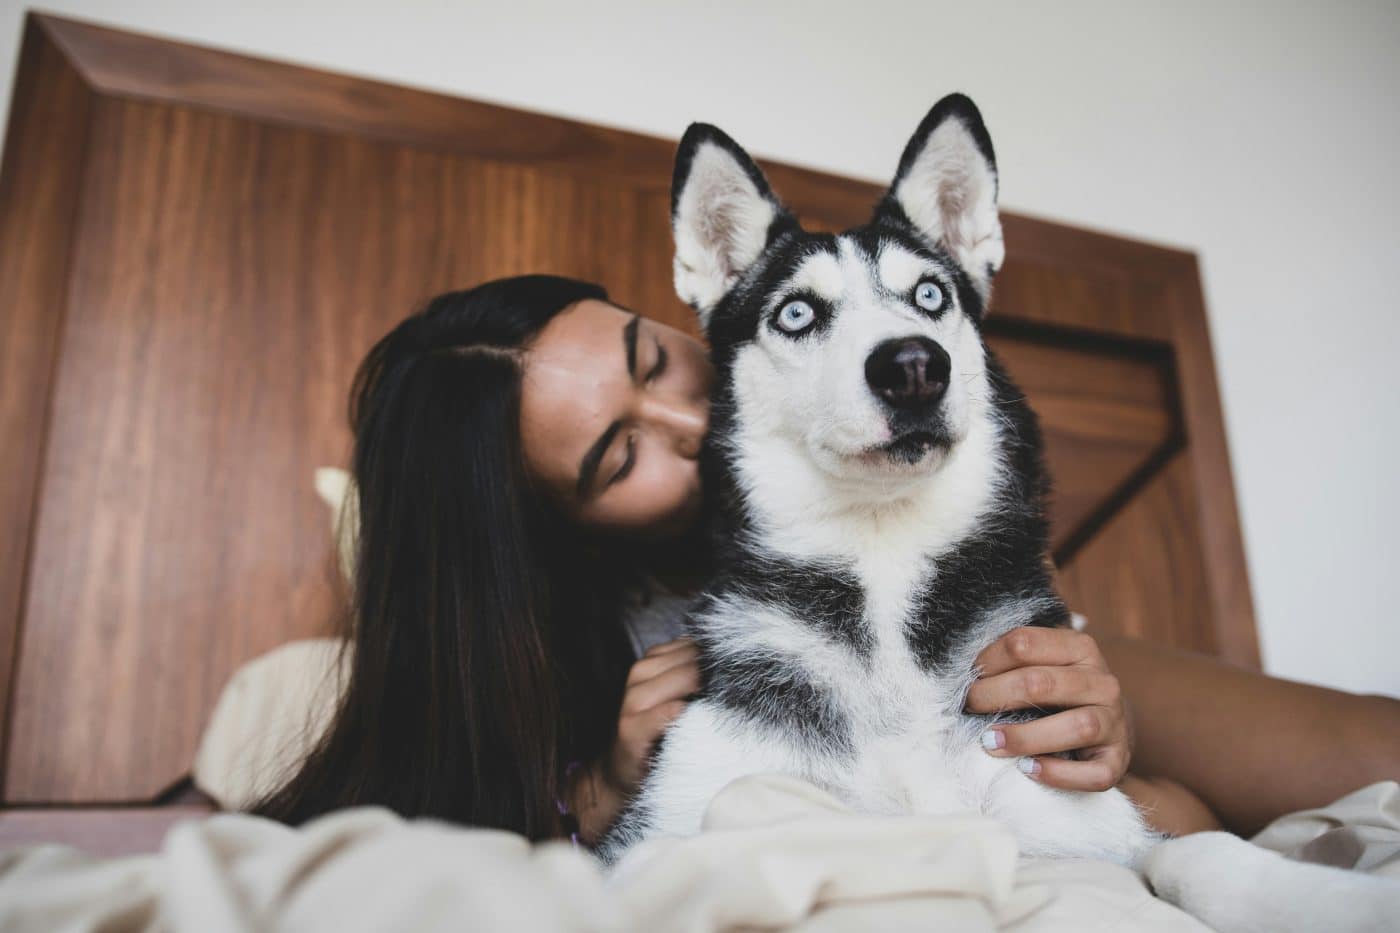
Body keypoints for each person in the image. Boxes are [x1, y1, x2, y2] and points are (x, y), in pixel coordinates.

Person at [253, 275, 1400, 845]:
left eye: (655, 361)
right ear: (554, 535)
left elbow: (1169, 819)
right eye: (616, 455)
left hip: (1008, 653)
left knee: (1372, 750)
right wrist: (594, 792)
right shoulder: (593, 681)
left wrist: (1102, 733)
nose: (695, 422)